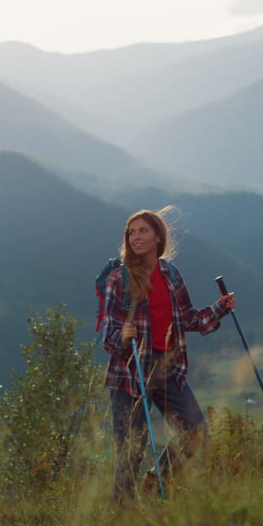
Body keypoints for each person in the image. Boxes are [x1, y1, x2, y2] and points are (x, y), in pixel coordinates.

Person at [99, 207, 234, 501]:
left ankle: (154, 483)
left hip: (167, 368)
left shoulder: (170, 274)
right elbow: (107, 336)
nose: (136, 237)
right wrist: (121, 336)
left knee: (195, 432)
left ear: (158, 237)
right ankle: (121, 514)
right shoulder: (119, 279)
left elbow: (187, 318)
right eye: (131, 233)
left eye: (143, 231)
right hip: (129, 374)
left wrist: (220, 308)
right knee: (131, 451)